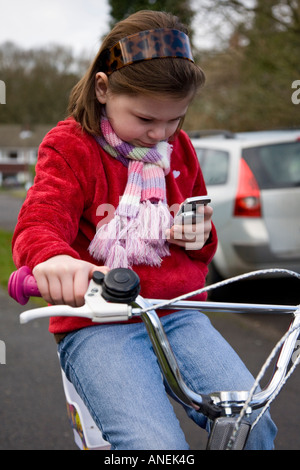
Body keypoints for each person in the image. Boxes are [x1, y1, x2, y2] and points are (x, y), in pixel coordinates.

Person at [12, 10, 277, 450]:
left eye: (175, 119)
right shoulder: (69, 146)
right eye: (145, 119)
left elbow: (202, 244)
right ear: (103, 90)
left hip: (176, 310)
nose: (161, 134)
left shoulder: (180, 149)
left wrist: (199, 235)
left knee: (250, 424)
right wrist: (52, 259)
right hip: (97, 320)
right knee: (151, 445)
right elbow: (40, 221)